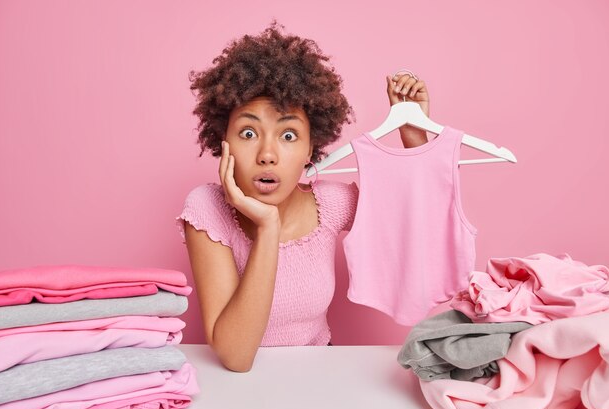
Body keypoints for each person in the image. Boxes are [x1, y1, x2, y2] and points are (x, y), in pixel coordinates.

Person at [176, 20, 431, 372]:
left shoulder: (330, 203)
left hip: (317, 379)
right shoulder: (206, 209)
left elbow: (419, 222)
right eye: (248, 132)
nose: (267, 154)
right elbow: (235, 356)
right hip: (236, 388)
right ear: (224, 143)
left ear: (312, 147)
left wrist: (413, 132)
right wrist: (268, 226)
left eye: (289, 136)